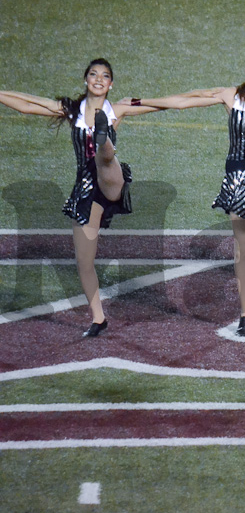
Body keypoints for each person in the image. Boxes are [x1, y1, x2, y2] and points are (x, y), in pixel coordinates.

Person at [127, 48, 245, 336]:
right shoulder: (230, 96)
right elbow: (183, 102)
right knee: (243, 252)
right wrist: (143, 102)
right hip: (239, 178)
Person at [0, 58, 169, 337]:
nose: (99, 79)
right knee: (84, 262)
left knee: (105, 160)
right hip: (86, 191)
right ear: (86, 80)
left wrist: (201, 99)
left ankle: (104, 140)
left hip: (111, 181)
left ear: (111, 83)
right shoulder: (72, 110)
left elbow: (162, 103)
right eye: (93, 74)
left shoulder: (120, 107)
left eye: (105, 76)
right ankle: (98, 319)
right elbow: (28, 104)